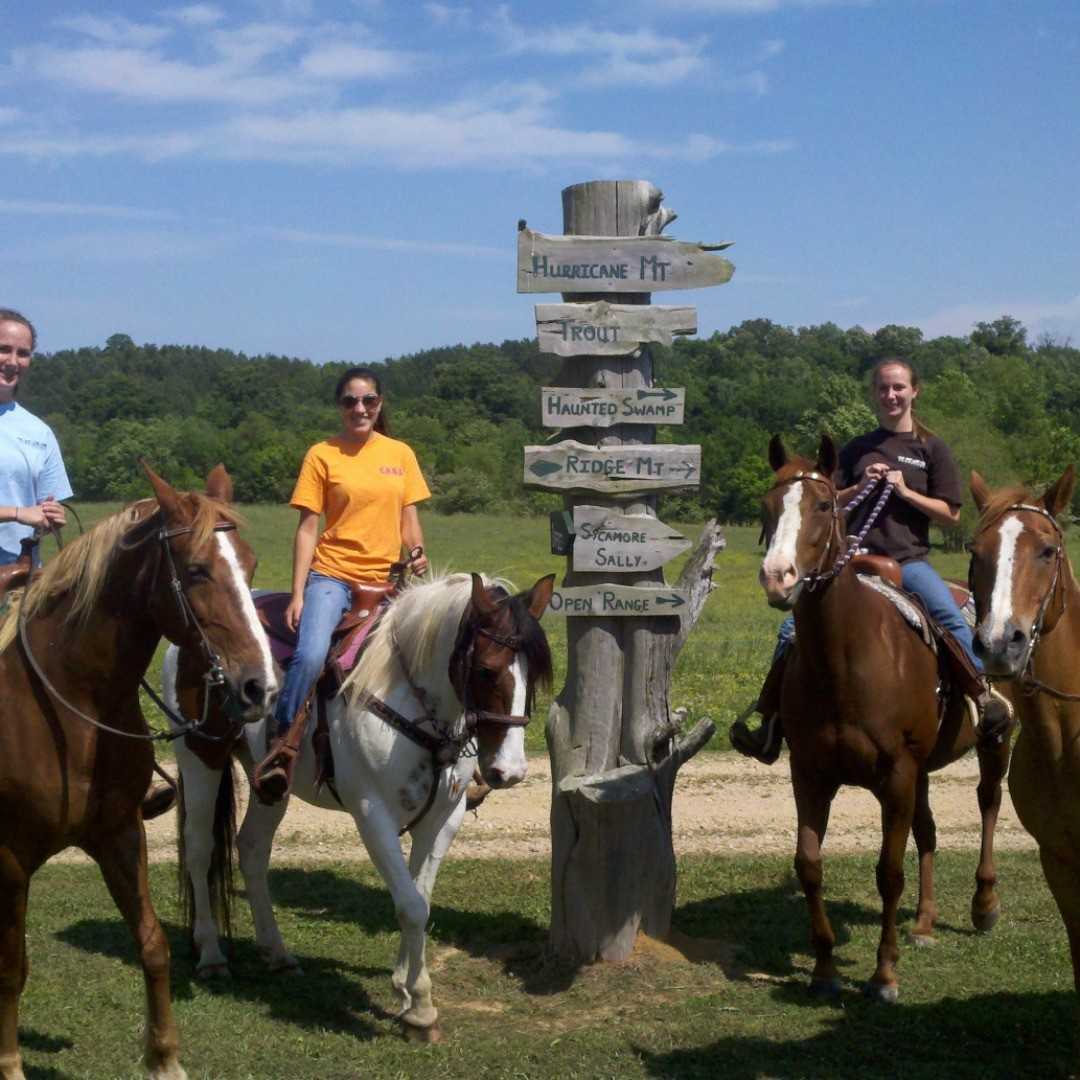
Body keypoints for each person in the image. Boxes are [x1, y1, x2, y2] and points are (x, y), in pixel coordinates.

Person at [730, 355, 1011, 763]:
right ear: (875, 394)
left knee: (948, 619)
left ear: (914, 391)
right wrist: (860, 483)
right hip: (854, 559)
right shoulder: (858, 448)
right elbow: (825, 501)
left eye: (899, 387)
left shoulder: (931, 449)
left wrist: (905, 491)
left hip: (907, 560)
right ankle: (769, 721)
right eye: (883, 388)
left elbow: (951, 513)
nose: (891, 395)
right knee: (791, 628)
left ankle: (984, 700)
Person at [254, 366, 430, 800]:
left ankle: (454, 755)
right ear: (339, 406)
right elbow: (307, 529)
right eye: (351, 401)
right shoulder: (322, 455)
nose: (360, 408)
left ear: (380, 404)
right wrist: (298, 594)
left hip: (388, 579)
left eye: (369, 400)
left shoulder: (400, 454)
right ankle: (282, 742)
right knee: (312, 653)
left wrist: (417, 551)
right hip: (332, 577)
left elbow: (409, 520)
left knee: (437, 646)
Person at [0, 310, 70, 567]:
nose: (12, 361)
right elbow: (25, 513)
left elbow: (39, 512)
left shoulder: (39, 432)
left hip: (20, 577)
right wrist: (18, 514)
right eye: (3, 349)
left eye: (22, 353)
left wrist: (49, 518)